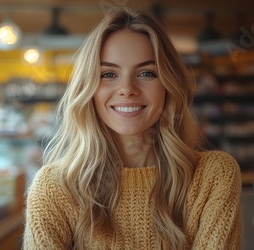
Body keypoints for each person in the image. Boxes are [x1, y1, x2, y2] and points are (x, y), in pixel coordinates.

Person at [23, 7, 242, 250]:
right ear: (88, 89)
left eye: (147, 73)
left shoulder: (214, 176)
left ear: (168, 86)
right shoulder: (54, 188)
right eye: (108, 74)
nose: (127, 88)